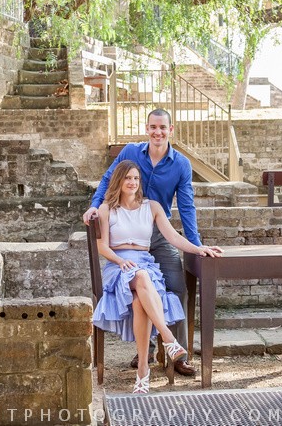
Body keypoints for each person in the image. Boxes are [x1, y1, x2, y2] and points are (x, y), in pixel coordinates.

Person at [84, 108, 203, 376]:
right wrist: (94, 206)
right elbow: (108, 179)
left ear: (170, 130)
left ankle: (177, 353)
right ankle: (145, 350)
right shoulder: (130, 152)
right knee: (139, 287)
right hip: (125, 233)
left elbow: (186, 207)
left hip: (157, 232)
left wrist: (197, 247)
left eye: (163, 127)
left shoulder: (181, 164)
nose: (157, 132)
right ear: (146, 129)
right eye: (153, 127)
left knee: (176, 288)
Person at [91, 160, 222, 393]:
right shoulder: (106, 209)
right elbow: (102, 247)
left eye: (136, 178)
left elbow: (173, 237)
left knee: (140, 299)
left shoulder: (151, 207)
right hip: (117, 265)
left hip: (144, 263)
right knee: (140, 277)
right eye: (127, 178)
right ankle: (169, 339)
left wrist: (198, 248)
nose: (132, 182)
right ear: (119, 181)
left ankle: (143, 370)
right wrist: (120, 261)